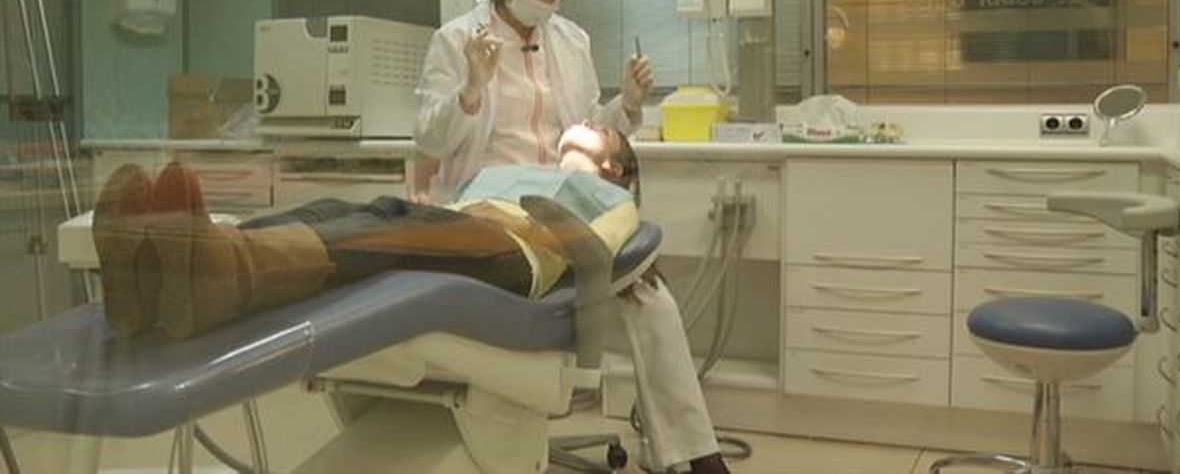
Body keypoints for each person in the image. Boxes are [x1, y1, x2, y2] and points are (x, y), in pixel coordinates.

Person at [92, 123, 731, 474]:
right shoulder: (512, 168)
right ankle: (166, 269)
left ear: (617, 166)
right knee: (340, 211)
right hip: (461, 222)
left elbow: (598, 251)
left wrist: (546, 221)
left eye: (597, 132)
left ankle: (214, 272)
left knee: (384, 231)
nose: (581, 127)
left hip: (513, 252)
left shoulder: (616, 200)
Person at [414, 0, 654, 201]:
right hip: (486, 202)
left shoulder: (572, 40)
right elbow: (430, 141)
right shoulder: (455, 40)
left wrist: (628, 105)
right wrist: (470, 92)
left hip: (556, 201)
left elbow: (588, 129)